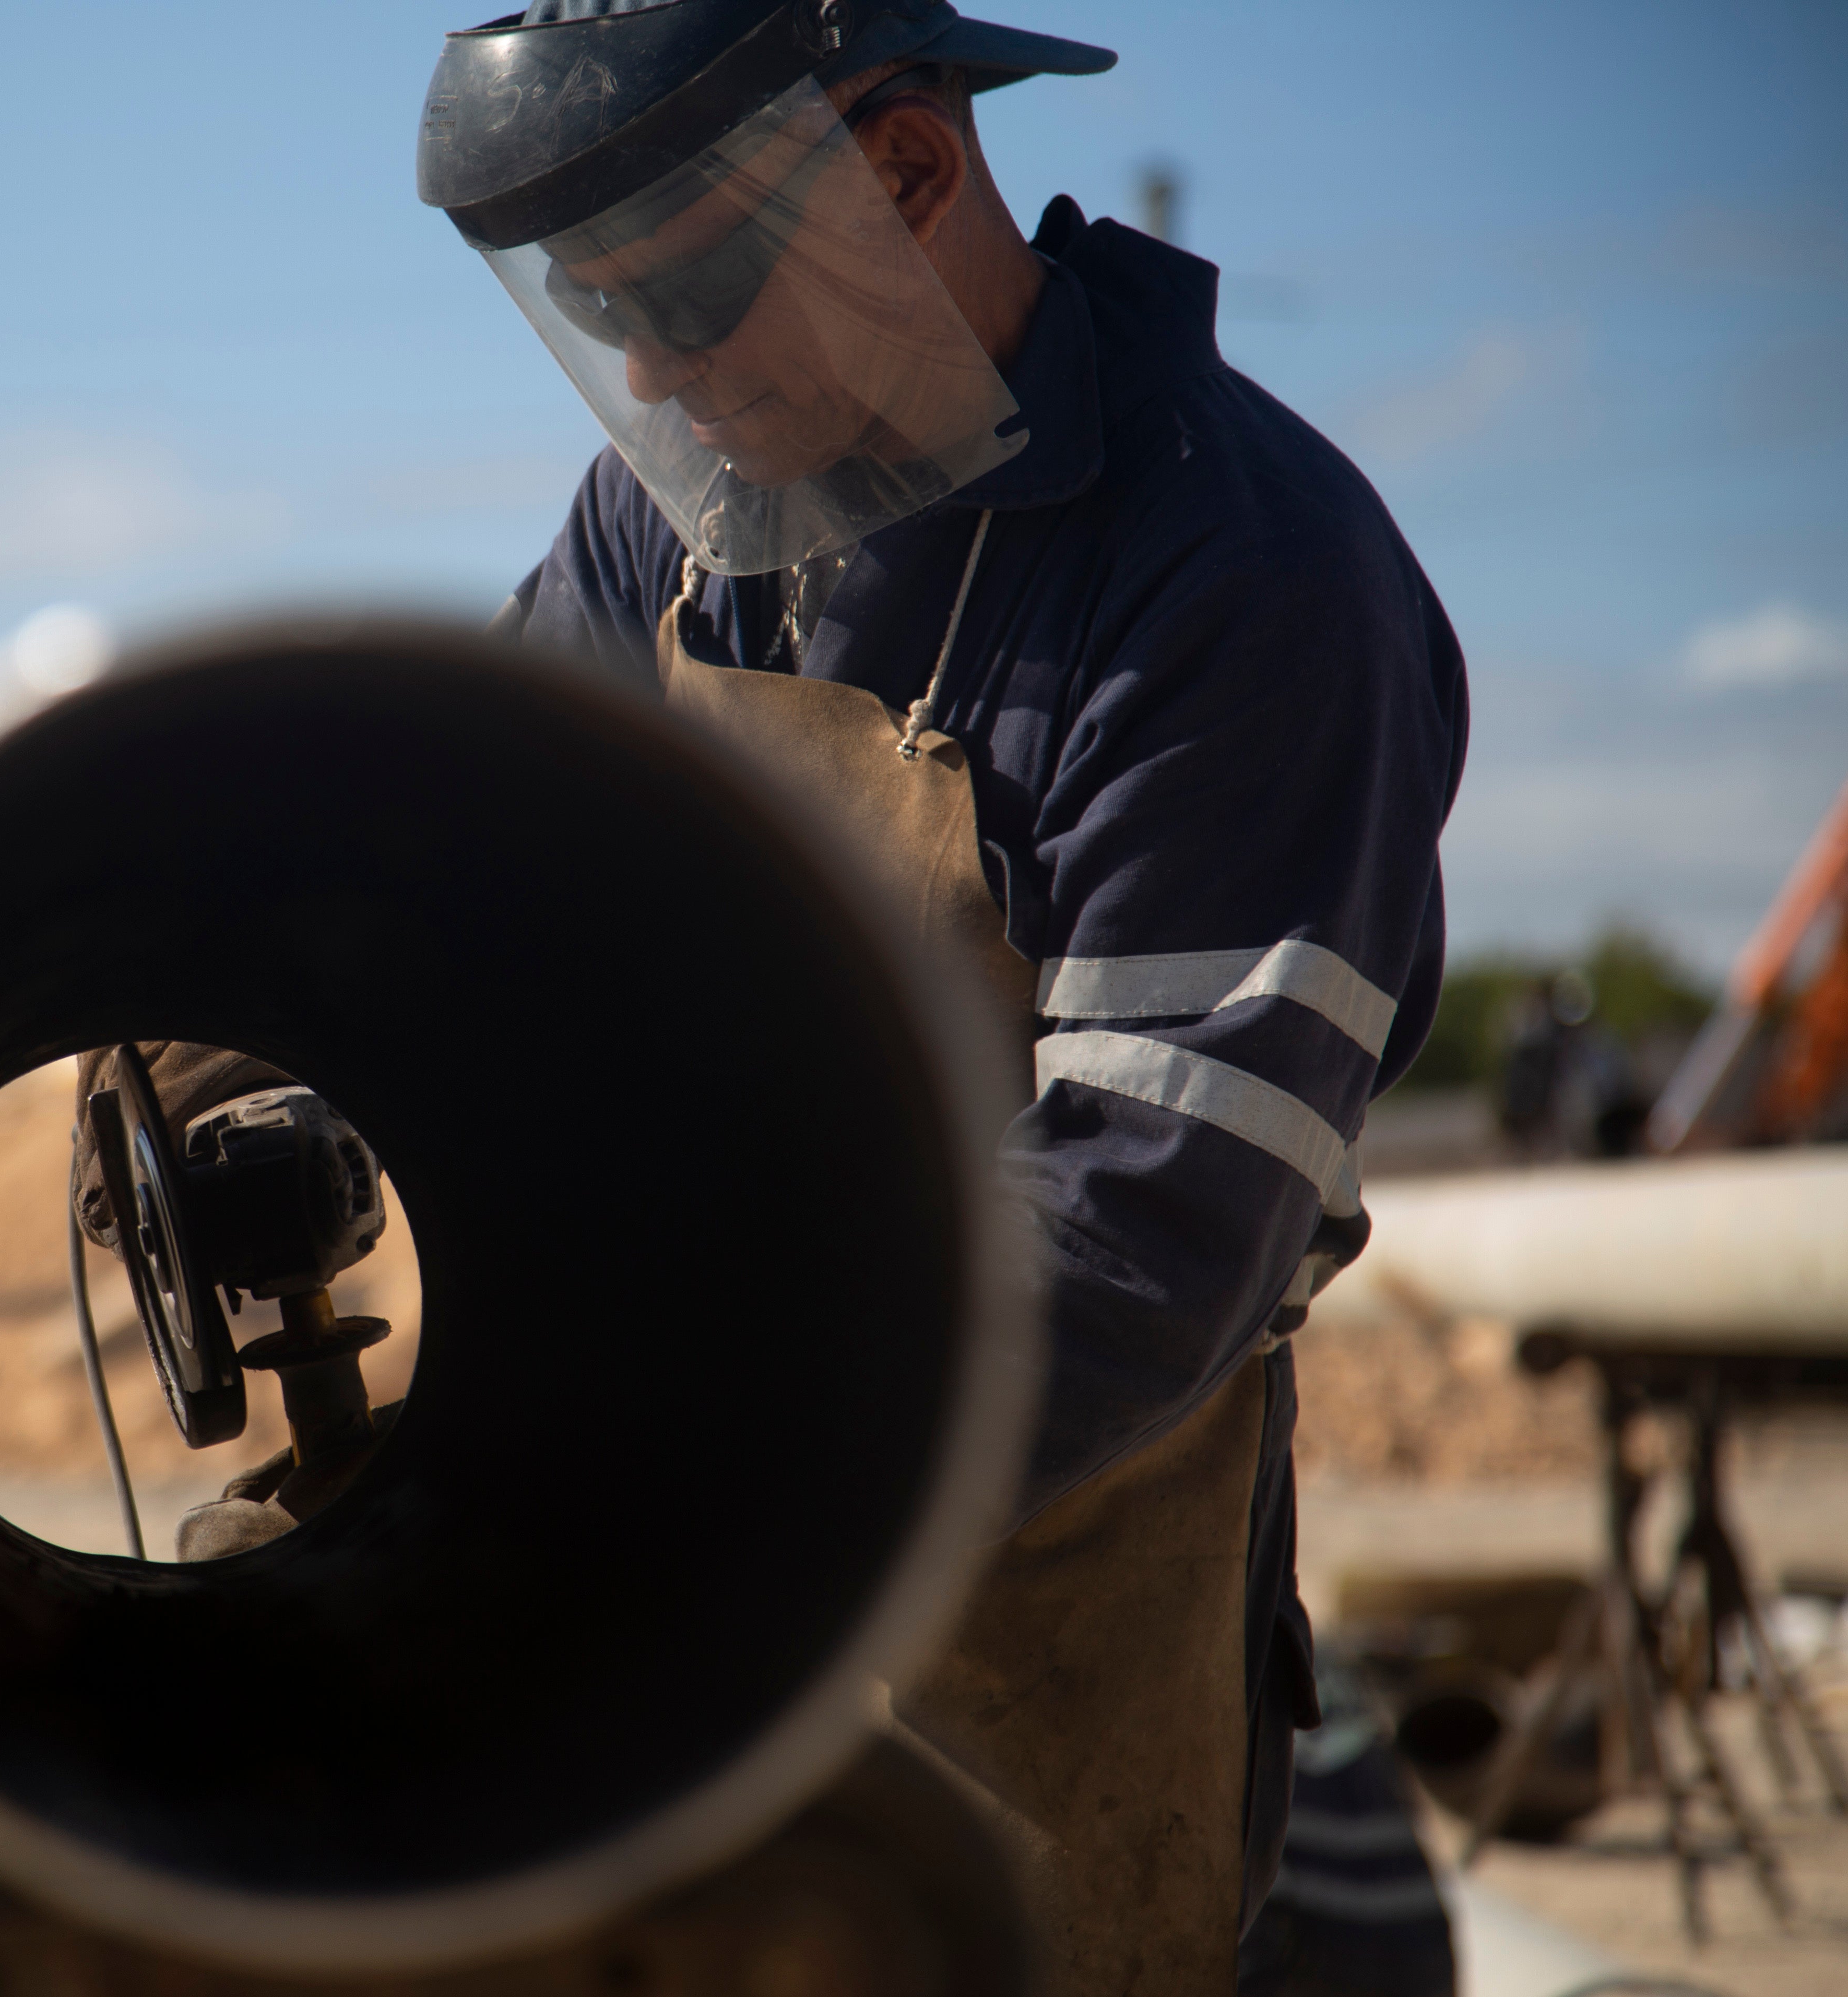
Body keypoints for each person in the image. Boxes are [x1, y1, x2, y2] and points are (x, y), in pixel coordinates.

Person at [412, 2, 1468, 1989]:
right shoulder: (684, 504)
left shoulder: (1246, 586)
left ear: (904, 166)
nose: (645, 374)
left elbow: (1142, 1226)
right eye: (593, 306)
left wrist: (668, 1513)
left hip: (1028, 1642)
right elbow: (471, 846)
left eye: (693, 295)